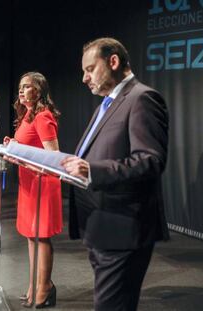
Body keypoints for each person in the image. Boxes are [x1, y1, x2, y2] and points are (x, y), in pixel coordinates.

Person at [61, 37, 169, 311]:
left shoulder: (142, 98)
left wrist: (92, 170)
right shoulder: (107, 103)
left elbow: (150, 160)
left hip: (123, 230)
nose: (85, 78)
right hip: (100, 225)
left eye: (89, 69)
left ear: (113, 61)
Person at [4, 72, 62, 308]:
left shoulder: (43, 117)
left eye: (27, 87)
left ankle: (45, 286)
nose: (21, 90)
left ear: (38, 92)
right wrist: (13, 146)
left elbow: (54, 157)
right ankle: (33, 284)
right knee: (31, 235)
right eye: (20, 86)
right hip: (28, 183)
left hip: (42, 183)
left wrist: (21, 153)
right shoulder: (27, 114)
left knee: (41, 236)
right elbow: (28, 147)